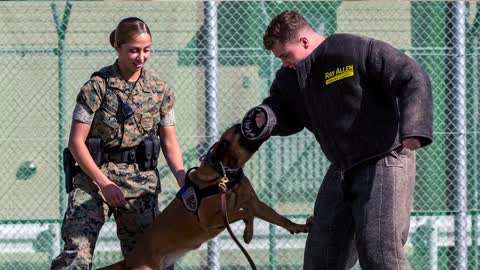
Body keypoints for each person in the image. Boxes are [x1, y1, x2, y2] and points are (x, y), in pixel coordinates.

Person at [240, 10, 433, 270]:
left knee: (379, 252)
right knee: (322, 256)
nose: (284, 63)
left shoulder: (352, 50)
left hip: (386, 157)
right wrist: (266, 117)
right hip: (343, 167)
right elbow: (283, 109)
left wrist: (413, 129)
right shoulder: (290, 77)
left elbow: (410, 75)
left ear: (304, 42)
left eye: (286, 55)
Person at [51, 17, 185, 270]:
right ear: (117, 46)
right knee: (75, 255)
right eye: (134, 50)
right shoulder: (96, 87)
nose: (141, 57)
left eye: (147, 50)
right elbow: (76, 142)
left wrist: (183, 178)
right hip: (94, 179)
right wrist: (105, 184)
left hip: (140, 183)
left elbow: (169, 142)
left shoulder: (160, 90)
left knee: (150, 259)